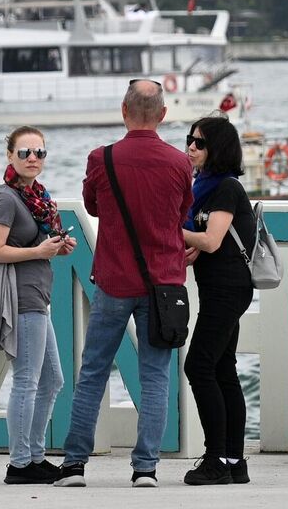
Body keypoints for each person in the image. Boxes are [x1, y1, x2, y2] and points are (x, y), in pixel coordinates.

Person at [56, 79, 192, 489]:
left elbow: (93, 205)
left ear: (123, 110)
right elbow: (182, 213)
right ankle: (145, 468)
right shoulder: (179, 162)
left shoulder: (102, 158)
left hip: (114, 279)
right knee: (156, 376)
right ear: (163, 115)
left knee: (93, 371)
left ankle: (75, 464)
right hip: (163, 284)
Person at [0, 126, 77, 485]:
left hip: (38, 295)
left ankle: (34, 456)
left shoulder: (38, 197)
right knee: (27, 381)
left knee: (52, 380)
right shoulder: (6, 198)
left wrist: (56, 245)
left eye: (39, 152)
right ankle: (20, 463)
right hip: (19, 299)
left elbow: (34, 243)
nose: (33, 158)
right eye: (24, 153)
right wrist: (38, 251)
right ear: (10, 157)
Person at [179, 114, 257, 486]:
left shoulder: (226, 187)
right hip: (217, 287)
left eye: (200, 143)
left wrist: (169, 231)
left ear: (219, 149)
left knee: (199, 366)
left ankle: (215, 460)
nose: (191, 147)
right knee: (223, 370)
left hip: (229, 288)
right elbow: (205, 242)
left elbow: (211, 240)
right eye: (189, 140)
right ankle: (234, 462)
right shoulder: (202, 187)